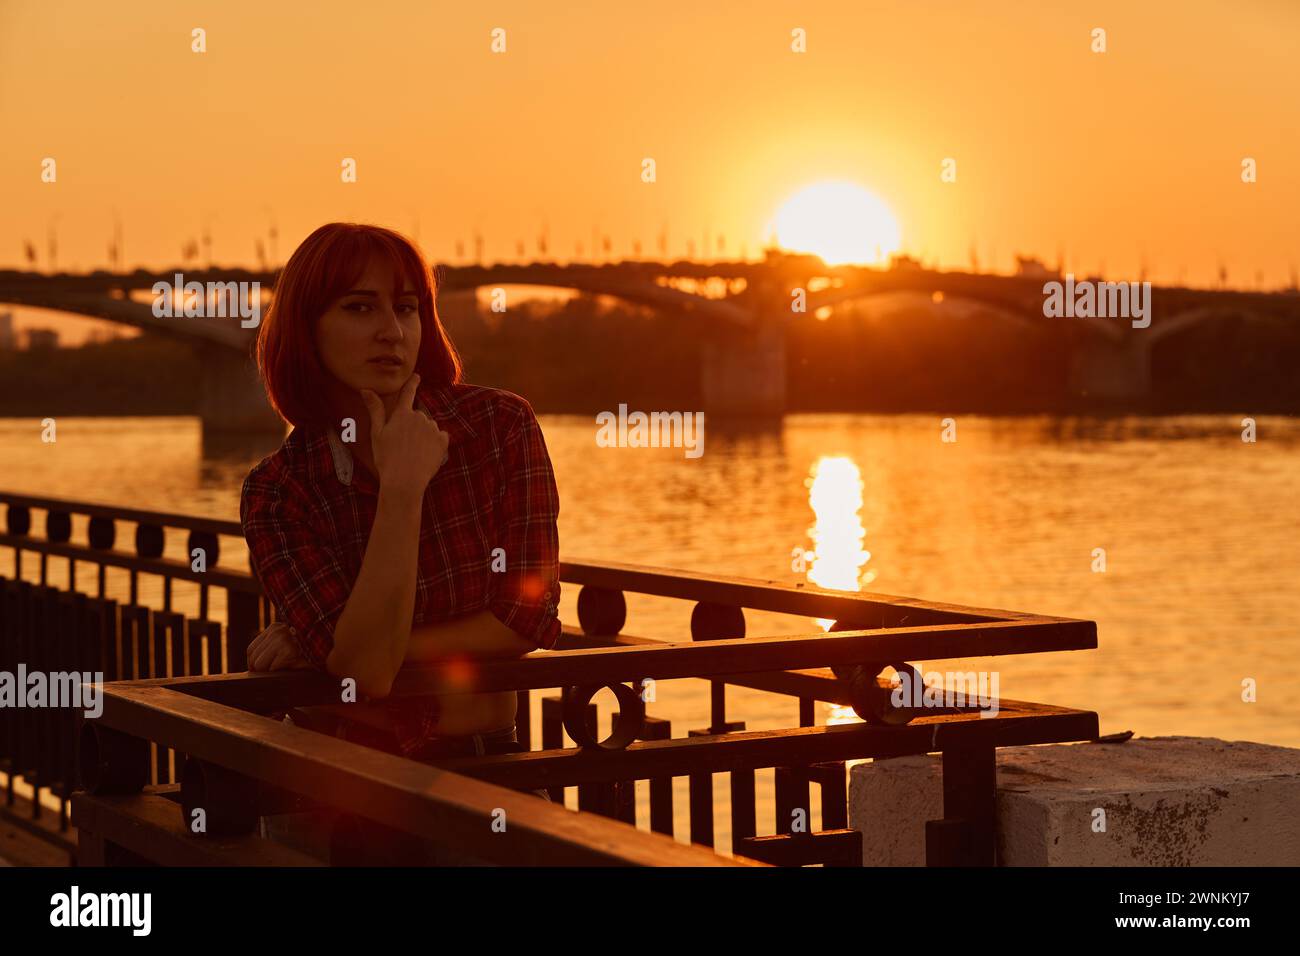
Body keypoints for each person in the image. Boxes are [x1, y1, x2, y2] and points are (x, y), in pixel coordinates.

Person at [239, 222, 560, 862]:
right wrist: (403, 489)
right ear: (306, 327)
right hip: (338, 788)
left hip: (491, 774)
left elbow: (524, 619)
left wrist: (328, 644)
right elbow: (363, 673)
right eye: (360, 307)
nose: (392, 330)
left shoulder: (498, 427)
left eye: (407, 307)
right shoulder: (279, 491)